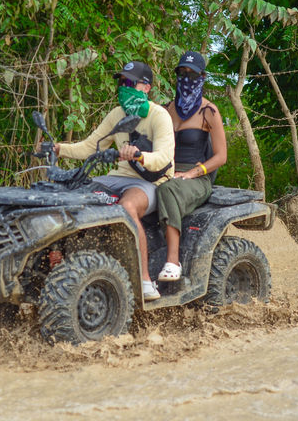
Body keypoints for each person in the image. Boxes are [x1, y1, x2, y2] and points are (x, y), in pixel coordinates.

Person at [49, 60, 175, 300]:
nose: (123, 87)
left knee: (127, 207)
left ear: (146, 87)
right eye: (121, 82)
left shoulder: (160, 116)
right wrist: (59, 149)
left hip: (153, 183)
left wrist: (139, 155)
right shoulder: (117, 114)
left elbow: (164, 158)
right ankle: (62, 264)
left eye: (129, 82)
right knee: (75, 195)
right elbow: (90, 147)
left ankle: (146, 281)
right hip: (118, 177)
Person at [156, 51, 227, 281]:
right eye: (182, 72)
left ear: (202, 76)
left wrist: (193, 173)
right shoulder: (166, 109)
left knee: (166, 190)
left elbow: (221, 156)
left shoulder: (209, 111)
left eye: (192, 74)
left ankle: (173, 261)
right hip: (167, 170)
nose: (186, 77)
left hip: (197, 177)